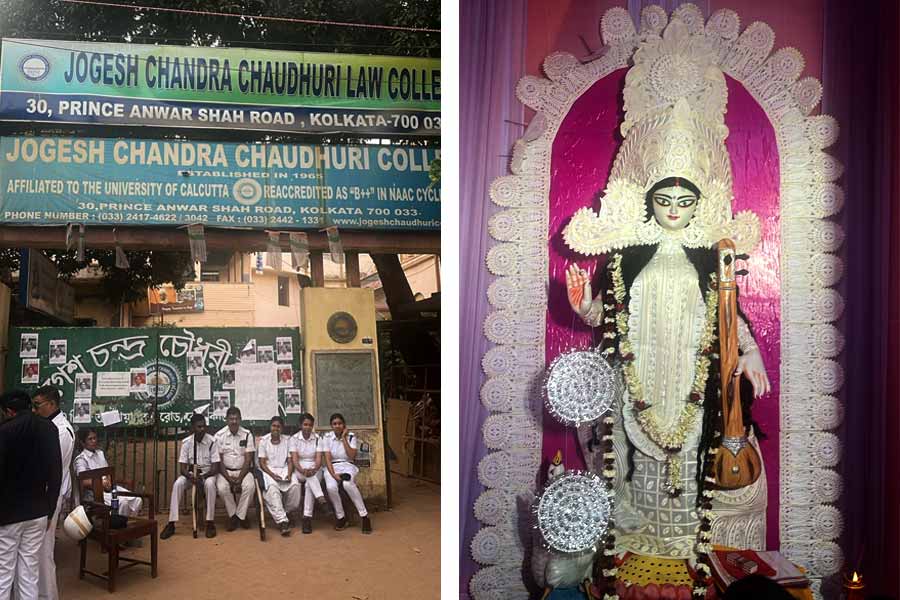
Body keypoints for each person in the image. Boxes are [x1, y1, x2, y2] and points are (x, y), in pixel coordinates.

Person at [0, 390, 61, 600]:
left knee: (3, 573)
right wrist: (50, 508)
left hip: (8, 515)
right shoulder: (50, 428)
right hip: (39, 512)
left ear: (9, 411)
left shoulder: (5, 431)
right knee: (29, 572)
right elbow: (56, 473)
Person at [31, 386, 73, 600]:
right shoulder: (50, 426)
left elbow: (52, 468)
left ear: (52, 404)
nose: (35, 410)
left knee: (44, 549)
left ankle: (48, 595)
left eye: (38, 405)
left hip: (49, 495)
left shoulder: (61, 431)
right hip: (43, 495)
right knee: (36, 550)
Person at [160, 414, 220, 540]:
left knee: (210, 485)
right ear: (192, 428)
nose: (202, 429)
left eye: (204, 426)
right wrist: (190, 476)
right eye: (199, 426)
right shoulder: (187, 443)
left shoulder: (212, 441)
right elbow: (182, 468)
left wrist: (203, 476)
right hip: (191, 474)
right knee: (178, 484)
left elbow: (215, 468)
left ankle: (210, 522)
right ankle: (171, 523)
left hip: (207, 474)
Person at [73, 428, 143, 517]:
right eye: (90, 439)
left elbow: (107, 472)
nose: (94, 441)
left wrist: (109, 481)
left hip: (109, 487)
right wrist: (100, 483)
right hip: (95, 493)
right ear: (83, 442)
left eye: (95, 438)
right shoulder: (81, 459)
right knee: (123, 503)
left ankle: (127, 522)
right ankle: (117, 525)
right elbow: (83, 480)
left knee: (137, 499)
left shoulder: (100, 453)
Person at [322, 413, 371, 534]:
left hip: (348, 465)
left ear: (343, 424)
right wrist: (334, 475)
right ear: (331, 426)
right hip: (333, 466)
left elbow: (352, 456)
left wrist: (344, 438)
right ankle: (341, 517)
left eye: (339, 423)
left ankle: (364, 516)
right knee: (331, 487)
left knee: (347, 485)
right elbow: (327, 458)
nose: (337, 426)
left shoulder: (350, 436)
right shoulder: (327, 437)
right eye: (334, 424)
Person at [214, 407, 256, 531]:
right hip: (225, 471)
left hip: (243, 470)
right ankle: (233, 515)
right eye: (231, 419)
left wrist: (240, 477)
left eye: (236, 418)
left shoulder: (247, 434)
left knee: (250, 486)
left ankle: (240, 516)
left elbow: (248, 459)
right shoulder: (219, 435)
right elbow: (219, 460)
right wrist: (228, 477)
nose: (234, 421)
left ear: (240, 419)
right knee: (222, 488)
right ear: (226, 420)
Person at [257, 416, 300, 537]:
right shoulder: (263, 441)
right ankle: (283, 522)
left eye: (278, 426)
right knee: (272, 490)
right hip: (268, 470)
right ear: (270, 427)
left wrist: (289, 474)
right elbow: (262, 462)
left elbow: (290, 460)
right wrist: (272, 475)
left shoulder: (288, 440)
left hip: (285, 469)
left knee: (295, 486)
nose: (276, 428)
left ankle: (286, 511)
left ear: (282, 428)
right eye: (274, 426)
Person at [289, 413, 327, 534]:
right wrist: (302, 470)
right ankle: (321, 499)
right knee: (310, 480)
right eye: (305, 424)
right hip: (299, 469)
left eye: (310, 425)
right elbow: (294, 460)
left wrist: (313, 469)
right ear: (300, 425)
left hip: (315, 469)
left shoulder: (317, 439)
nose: (307, 427)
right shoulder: (294, 439)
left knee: (309, 484)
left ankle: (306, 518)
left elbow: (319, 460)